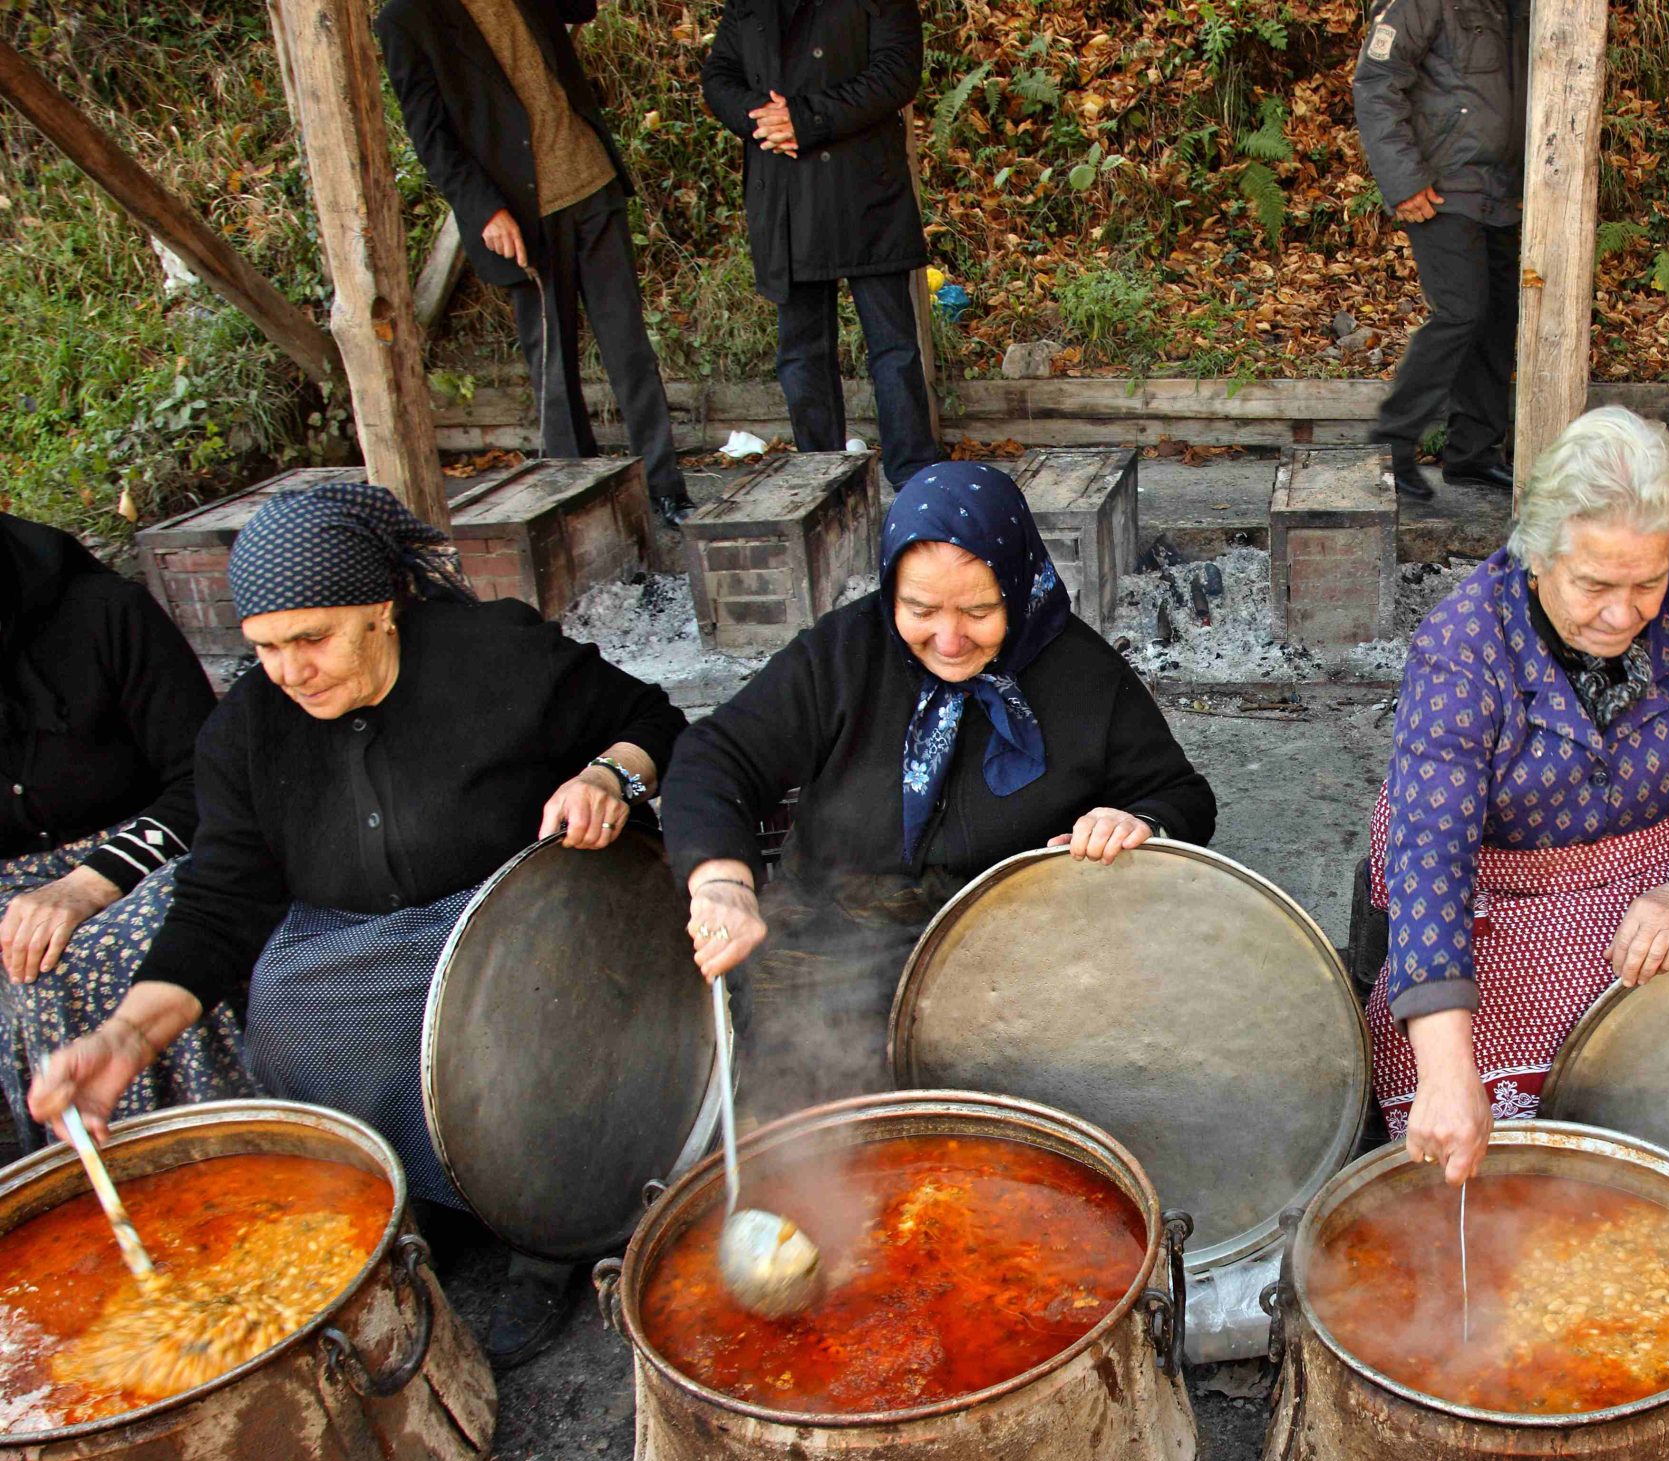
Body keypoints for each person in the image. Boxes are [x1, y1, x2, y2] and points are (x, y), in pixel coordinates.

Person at [28, 484, 687, 1366]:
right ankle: (426, 1202)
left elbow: (652, 718)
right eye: (265, 647)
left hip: (524, 924)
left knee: (521, 1037)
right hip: (353, 948)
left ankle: (551, 1235)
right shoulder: (246, 734)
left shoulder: (496, 655)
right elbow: (219, 902)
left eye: (313, 638)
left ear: (382, 610)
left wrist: (607, 776)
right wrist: (124, 1039)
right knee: (289, 1014)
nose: (290, 671)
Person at [660, 462, 1217, 1121]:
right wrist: (722, 882)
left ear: (1018, 585)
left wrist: (1137, 820)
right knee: (809, 1131)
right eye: (920, 610)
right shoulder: (841, 655)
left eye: (979, 611)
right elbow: (715, 756)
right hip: (829, 937)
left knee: (1015, 1133)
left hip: (1014, 955)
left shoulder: (1083, 675)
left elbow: (1180, 795)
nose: (948, 641)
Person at [1374, 408, 1669, 1182]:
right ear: (1536, 556)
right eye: (1594, 584)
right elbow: (1430, 857)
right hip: (1504, 894)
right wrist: (1446, 1070)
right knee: (1485, 1134)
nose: (1621, 613)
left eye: (1648, 582)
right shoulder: (1464, 643)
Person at [377, 0, 693, 523]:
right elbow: (429, 134)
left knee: (630, 350)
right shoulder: (407, 18)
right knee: (554, 368)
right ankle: (582, 505)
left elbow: (581, 8)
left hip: (591, 182)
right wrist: (484, 211)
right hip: (520, 212)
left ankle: (665, 491)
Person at [1, 514, 249, 1151]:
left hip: (149, 850)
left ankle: (218, 1155)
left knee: (119, 948)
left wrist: (88, 885)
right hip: (10, 887)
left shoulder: (108, 614)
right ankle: (76, 1184)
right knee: (21, 955)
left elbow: (206, 779)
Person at [702, 0, 941, 489]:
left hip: (863, 186)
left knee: (893, 346)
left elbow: (896, 73)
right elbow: (719, 74)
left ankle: (915, 478)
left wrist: (806, 119)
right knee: (801, 351)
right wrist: (761, 120)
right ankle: (821, 482)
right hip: (785, 191)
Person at [1352, 0, 1526, 503]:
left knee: (1496, 319)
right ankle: (1390, 446)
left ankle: (1474, 453)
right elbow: (1376, 83)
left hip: (1505, 189)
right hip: (1442, 186)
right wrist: (1404, 180)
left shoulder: (1524, 7)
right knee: (1459, 311)